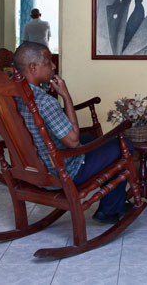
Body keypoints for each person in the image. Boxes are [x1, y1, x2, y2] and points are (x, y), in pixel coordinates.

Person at [14, 41, 132, 223]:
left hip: (35, 166)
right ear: (33, 67)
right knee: (123, 145)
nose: (53, 66)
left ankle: (115, 201)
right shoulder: (44, 103)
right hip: (62, 172)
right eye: (48, 63)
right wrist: (66, 96)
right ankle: (109, 211)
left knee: (92, 138)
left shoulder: (13, 96)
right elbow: (73, 142)